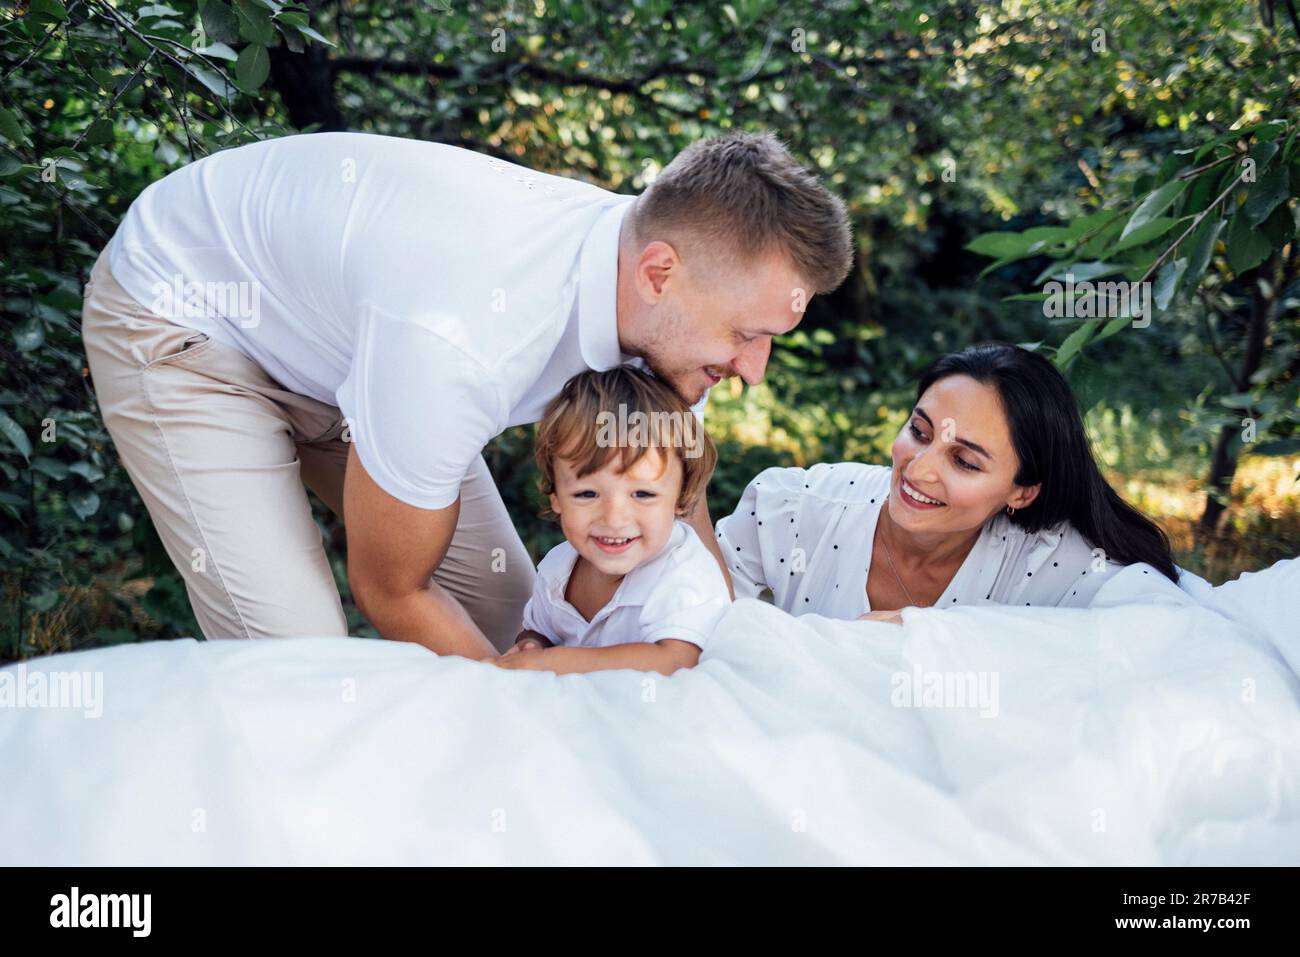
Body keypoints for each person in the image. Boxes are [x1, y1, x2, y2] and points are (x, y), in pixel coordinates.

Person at [80, 130, 852, 656]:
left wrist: (727, 664)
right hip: (185, 319)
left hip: (356, 351)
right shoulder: (465, 338)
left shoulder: (678, 327)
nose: (754, 369)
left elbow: (682, 514)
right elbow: (391, 588)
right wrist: (521, 719)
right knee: (299, 661)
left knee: (522, 617)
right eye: (748, 335)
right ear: (658, 273)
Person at [715, 343, 1185, 620]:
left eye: (964, 461)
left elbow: (1169, 632)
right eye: (918, 432)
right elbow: (682, 614)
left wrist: (936, 635)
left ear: (1022, 491)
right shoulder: (796, 509)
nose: (918, 470)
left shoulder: (1055, 562)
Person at [493, 367, 730, 675]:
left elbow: (678, 661)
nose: (614, 518)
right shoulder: (558, 569)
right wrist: (532, 646)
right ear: (556, 498)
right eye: (587, 494)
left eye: (643, 494)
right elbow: (538, 630)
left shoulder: (684, 573)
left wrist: (556, 662)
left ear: (682, 498)